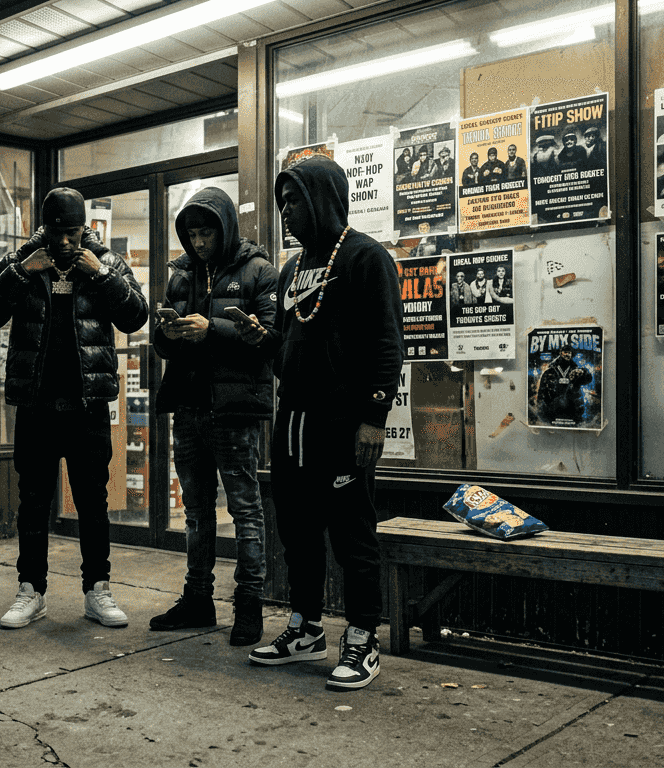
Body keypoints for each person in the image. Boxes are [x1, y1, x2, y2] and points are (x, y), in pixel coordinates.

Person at [242, 153, 404, 692]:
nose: (285, 211)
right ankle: (305, 628)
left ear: (323, 200)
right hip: (292, 422)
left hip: (342, 422)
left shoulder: (366, 257)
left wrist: (374, 417)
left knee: (352, 534)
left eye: (293, 200)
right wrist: (264, 341)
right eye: (282, 202)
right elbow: (290, 347)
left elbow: (387, 342)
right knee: (298, 532)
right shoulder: (292, 269)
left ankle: (362, 637)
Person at [0, 187, 149, 631]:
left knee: (93, 502)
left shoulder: (104, 261)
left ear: (83, 227)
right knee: (32, 501)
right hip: (36, 406)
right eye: (57, 233)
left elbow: (136, 316)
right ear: (45, 229)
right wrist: (20, 271)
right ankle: (30, 591)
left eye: (72, 233)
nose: (66, 242)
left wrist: (101, 275)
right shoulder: (24, 260)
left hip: (89, 407)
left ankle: (97, 590)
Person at [148, 187, 279, 647]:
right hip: (188, 407)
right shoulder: (181, 275)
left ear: (225, 228)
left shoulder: (258, 271)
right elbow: (162, 344)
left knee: (244, 510)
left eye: (206, 233)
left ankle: (249, 604)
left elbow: (270, 337)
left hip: (234, 411)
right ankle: (198, 599)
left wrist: (212, 330)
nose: (199, 242)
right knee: (197, 512)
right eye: (192, 234)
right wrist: (167, 334)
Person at [535, 343, 593, 425]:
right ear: (560, 353)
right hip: (552, 411)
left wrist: (583, 371)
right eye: (565, 352)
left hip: (573, 410)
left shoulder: (576, 371)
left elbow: (588, 379)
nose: (567, 354)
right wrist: (540, 409)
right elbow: (542, 391)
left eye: (569, 352)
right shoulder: (550, 371)